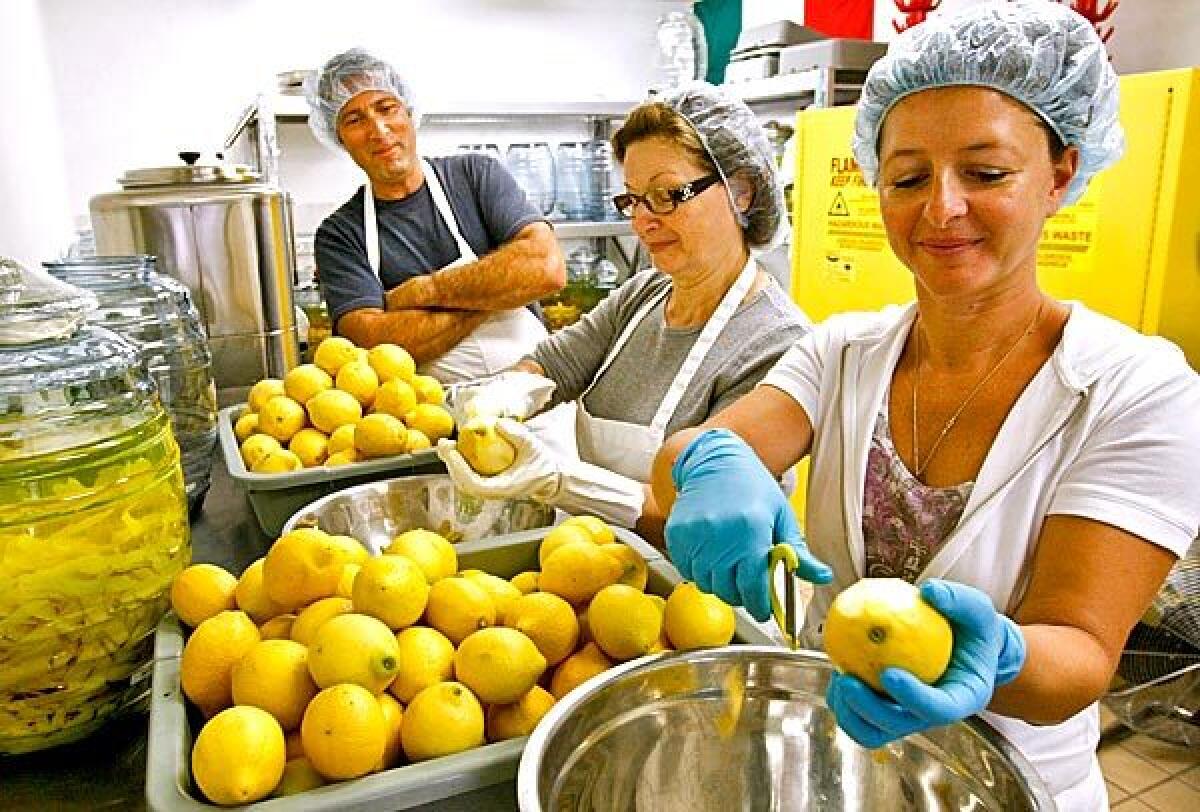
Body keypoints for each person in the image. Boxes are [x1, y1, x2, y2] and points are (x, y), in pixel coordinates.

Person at [649, 3, 1200, 810]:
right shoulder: (842, 352)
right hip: (832, 765)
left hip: (1004, 784)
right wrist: (706, 463)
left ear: (1059, 173)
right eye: (907, 178)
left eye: (986, 173)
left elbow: (1081, 653)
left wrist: (999, 659)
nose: (940, 209)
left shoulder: (1138, 391)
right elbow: (681, 463)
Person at [436, 82, 811, 540]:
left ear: (742, 191)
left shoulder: (779, 344)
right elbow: (553, 365)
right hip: (589, 564)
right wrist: (502, 397)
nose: (643, 220)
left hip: (700, 595)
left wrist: (561, 481)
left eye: (667, 194)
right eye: (632, 199)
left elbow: (704, 505)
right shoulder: (643, 296)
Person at [306, 49, 564, 382]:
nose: (378, 129)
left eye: (386, 108)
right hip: (429, 421)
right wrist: (496, 289)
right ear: (339, 137)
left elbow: (545, 268)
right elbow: (370, 343)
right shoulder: (340, 234)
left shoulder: (474, 175)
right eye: (354, 120)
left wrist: (421, 292)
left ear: (409, 113)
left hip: (536, 392)